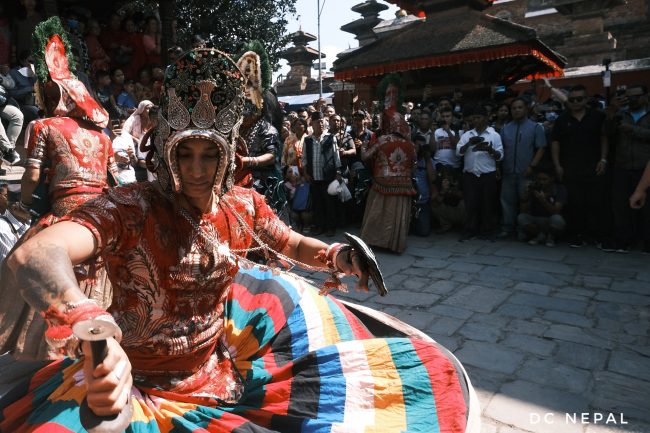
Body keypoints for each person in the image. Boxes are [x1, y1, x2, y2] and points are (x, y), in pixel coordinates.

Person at [0, 46, 476, 433]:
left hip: (218, 373)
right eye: (184, 154)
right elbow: (37, 253)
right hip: (131, 382)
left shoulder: (242, 205)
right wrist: (91, 326)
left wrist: (338, 255)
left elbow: (292, 244)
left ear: (228, 155)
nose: (196, 170)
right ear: (166, 151)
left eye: (209, 155)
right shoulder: (132, 207)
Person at [0, 17, 118, 359]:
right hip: (100, 218)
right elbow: (113, 181)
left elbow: (32, 175)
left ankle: (50, 350)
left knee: (27, 266)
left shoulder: (44, 126)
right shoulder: (102, 135)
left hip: (63, 215)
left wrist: (23, 204)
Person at [360, 76, 416, 253]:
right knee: (397, 216)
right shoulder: (410, 144)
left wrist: (363, 146)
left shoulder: (383, 140)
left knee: (379, 213)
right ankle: (395, 244)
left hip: (382, 183)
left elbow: (366, 157)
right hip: (404, 185)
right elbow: (414, 163)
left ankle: (376, 241)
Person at [551, 85, 609, 248]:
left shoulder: (598, 116)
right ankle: (577, 234)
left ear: (586, 99)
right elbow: (555, 142)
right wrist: (557, 165)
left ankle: (595, 235)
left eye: (579, 99)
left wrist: (603, 159)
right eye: (572, 99)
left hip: (593, 166)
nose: (575, 102)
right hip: (570, 167)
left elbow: (604, 137)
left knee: (595, 202)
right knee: (575, 203)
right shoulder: (562, 119)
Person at [605, 84, 650, 253]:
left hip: (645, 167)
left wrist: (633, 130)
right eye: (629, 97)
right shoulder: (621, 114)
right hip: (622, 166)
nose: (633, 100)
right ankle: (623, 240)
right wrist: (610, 115)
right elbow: (607, 134)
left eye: (636, 96)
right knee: (620, 206)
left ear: (645, 96)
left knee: (647, 208)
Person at [499, 97, 547, 237]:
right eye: (514, 108)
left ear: (526, 109)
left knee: (526, 201)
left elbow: (541, 148)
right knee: (507, 201)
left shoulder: (536, 127)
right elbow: (501, 149)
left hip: (527, 171)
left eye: (520, 107)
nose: (517, 110)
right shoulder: (505, 129)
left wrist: (532, 166)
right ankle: (508, 228)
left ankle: (524, 229)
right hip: (508, 171)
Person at [456, 105, 503, 241]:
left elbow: (500, 156)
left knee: (487, 204)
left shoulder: (494, 135)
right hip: (470, 175)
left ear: (486, 118)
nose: (475, 120)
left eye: (478, 117)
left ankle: (487, 231)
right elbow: (458, 152)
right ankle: (470, 230)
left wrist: (489, 149)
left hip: (488, 175)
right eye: (474, 118)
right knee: (471, 204)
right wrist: (469, 144)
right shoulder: (467, 135)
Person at [302, 110, 341, 236]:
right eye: (318, 122)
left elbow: (336, 156)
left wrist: (338, 172)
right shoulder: (307, 140)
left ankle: (331, 227)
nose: (321, 124)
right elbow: (304, 159)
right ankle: (319, 226)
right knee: (317, 203)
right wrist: (305, 173)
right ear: (312, 124)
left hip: (328, 176)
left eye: (322, 121)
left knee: (329, 203)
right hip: (314, 177)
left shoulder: (330, 138)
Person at [517, 168, 567, 247]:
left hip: (550, 220)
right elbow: (523, 211)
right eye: (539, 179)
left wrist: (543, 200)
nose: (541, 182)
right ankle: (542, 235)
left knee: (557, 219)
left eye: (544, 179)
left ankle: (547, 236)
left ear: (552, 179)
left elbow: (556, 211)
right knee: (521, 217)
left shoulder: (559, 189)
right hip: (537, 219)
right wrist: (526, 194)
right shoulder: (534, 187)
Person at [121, 99, 155, 182]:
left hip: (148, 143)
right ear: (141, 109)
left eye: (151, 108)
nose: (149, 110)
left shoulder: (153, 118)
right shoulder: (135, 118)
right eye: (147, 108)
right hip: (135, 143)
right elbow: (124, 132)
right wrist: (136, 140)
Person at [0, 184, 30, 265]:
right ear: (15, 208)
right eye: (27, 205)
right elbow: (7, 266)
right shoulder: (3, 229)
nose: (33, 208)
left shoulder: (29, 223)